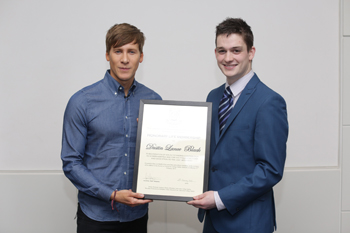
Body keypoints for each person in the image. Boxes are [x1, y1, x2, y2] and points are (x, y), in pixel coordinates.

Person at [187, 18, 288, 233]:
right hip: (213, 220)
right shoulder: (213, 97)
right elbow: (208, 150)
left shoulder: (269, 102)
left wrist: (219, 198)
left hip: (247, 222)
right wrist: (153, 133)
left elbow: (270, 170)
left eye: (236, 50)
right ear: (215, 54)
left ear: (251, 52)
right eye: (222, 51)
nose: (228, 58)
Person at [61, 23, 161, 233]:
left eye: (131, 51)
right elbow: (71, 163)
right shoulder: (82, 101)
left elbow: (162, 155)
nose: (125, 59)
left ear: (141, 57)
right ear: (108, 55)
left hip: (137, 217)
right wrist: (112, 194)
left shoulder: (153, 101)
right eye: (118, 51)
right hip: (95, 218)